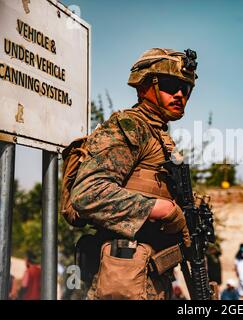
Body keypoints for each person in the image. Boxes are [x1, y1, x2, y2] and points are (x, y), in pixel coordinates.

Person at [70, 48, 198, 300]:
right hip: (121, 279)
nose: (180, 95)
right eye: (171, 85)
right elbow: (87, 194)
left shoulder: (159, 137)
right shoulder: (130, 127)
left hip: (148, 278)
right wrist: (164, 209)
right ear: (143, 87)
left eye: (187, 89)